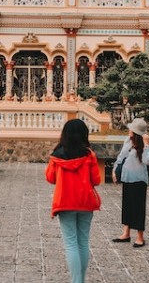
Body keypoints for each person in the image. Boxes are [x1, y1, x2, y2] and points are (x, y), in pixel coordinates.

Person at [45, 119, 102, 283]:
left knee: (71, 244)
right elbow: (96, 180)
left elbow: (50, 178)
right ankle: (80, 280)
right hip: (85, 201)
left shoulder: (57, 156)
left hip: (65, 202)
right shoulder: (89, 155)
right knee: (83, 242)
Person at [111, 118, 149, 248]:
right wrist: (115, 169)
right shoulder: (128, 141)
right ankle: (126, 232)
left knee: (138, 208)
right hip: (127, 177)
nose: (129, 130)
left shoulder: (146, 145)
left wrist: (146, 145)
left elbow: (147, 161)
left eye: (131, 129)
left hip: (139, 180)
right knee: (127, 205)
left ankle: (140, 236)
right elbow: (121, 156)